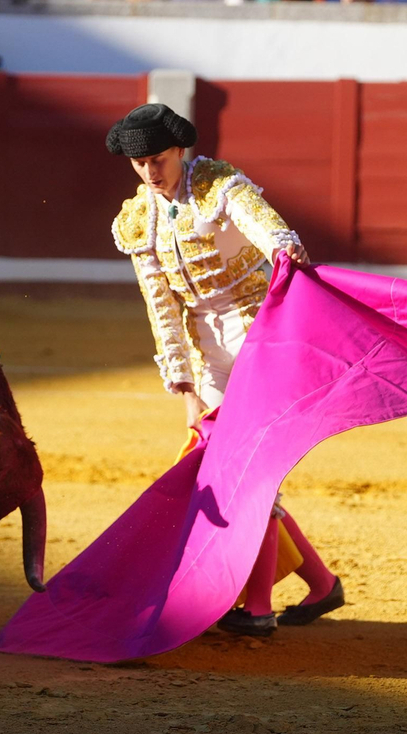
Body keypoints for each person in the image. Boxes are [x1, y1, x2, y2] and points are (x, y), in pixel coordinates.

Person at [105, 103, 346, 638]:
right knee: (231, 473)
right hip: (204, 348)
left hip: (259, 330)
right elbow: (161, 305)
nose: (151, 172)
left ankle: (258, 609)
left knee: (250, 474)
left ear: (179, 150)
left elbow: (276, 238)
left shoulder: (220, 186)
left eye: (159, 159)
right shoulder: (138, 218)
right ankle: (321, 582)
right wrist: (185, 385)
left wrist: (286, 263)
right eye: (140, 163)